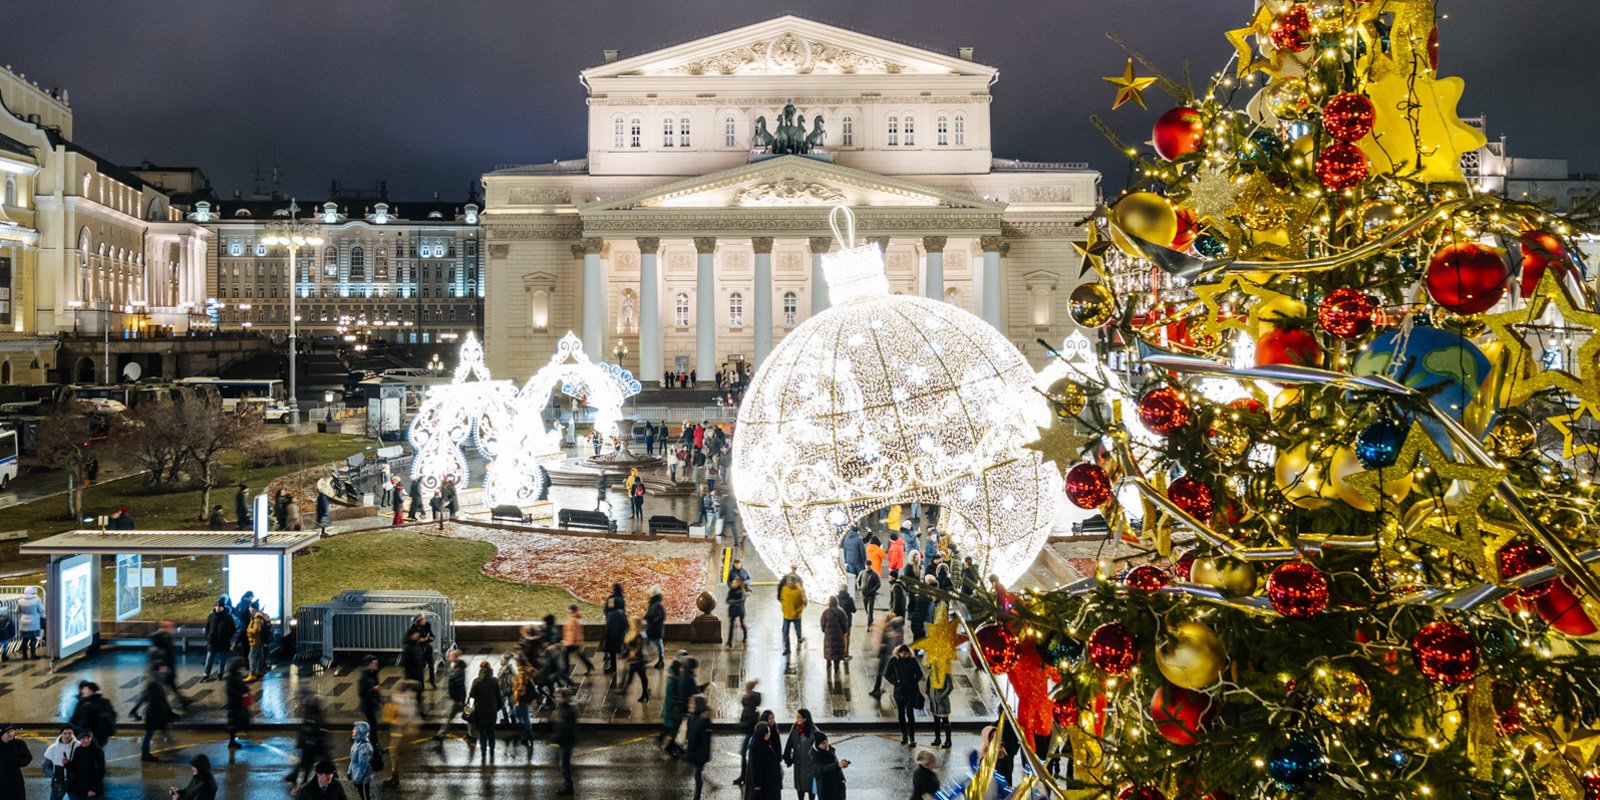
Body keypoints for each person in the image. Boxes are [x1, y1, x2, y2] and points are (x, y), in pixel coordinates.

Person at [289, 688, 331, 785]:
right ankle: (298, 778)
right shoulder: (313, 714)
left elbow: (311, 728)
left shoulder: (311, 713)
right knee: (307, 761)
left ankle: (296, 777)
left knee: (306, 761)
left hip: (311, 742)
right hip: (312, 742)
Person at [885, 644, 925, 745]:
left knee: (910, 714)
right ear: (898, 652)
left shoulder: (912, 660)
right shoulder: (893, 661)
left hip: (910, 693)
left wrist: (913, 682)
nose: (904, 655)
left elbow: (920, 674)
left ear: (908, 653)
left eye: (906, 653)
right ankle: (904, 734)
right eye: (902, 653)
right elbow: (887, 674)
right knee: (901, 715)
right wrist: (895, 682)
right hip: (899, 693)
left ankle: (911, 737)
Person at [137, 663, 174, 761]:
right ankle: (145, 754)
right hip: (154, 712)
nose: (165, 670)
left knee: (150, 732)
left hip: (155, 712)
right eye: (163, 668)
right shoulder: (153, 683)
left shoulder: (156, 680)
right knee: (149, 733)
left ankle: (146, 753)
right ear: (158, 670)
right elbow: (156, 698)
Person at [783, 709, 822, 800]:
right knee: (800, 791)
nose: (797, 719)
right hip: (799, 766)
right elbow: (789, 745)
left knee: (811, 791)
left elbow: (821, 748)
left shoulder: (814, 731)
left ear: (805, 718)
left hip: (811, 766)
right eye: (797, 717)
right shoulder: (795, 729)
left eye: (799, 717)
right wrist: (787, 758)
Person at [468, 661, 501, 763]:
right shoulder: (494, 681)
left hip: (480, 710)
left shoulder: (476, 681)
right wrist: (498, 707)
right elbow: (499, 696)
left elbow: (472, 695)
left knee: (482, 732)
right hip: (492, 709)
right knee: (491, 730)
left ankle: (483, 751)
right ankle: (491, 749)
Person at [68, 681, 116, 747]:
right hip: (101, 738)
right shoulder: (105, 702)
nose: (83, 691)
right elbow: (113, 716)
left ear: (90, 690)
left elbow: (75, 720)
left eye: (85, 689)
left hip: (85, 737)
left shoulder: (84, 704)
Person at [685, 695, 714, 800]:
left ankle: (697, 796)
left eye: (692, 703)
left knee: (697, 775)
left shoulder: (704, 720)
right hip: (694, 752)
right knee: (697, 774)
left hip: (699, 754)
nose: (690, 705)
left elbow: (701, 740)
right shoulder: (693, 717)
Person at [435, 648, 468, 741]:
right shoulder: (455, 666)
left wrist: (460, 700)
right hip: (456, 698)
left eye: (450, 656)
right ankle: (472, 732)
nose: (448, 657)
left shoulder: (459, 671)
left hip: (457, 700)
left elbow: (460, 686)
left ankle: (441, 734)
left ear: (455, 657)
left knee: (452, 716)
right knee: (467, 715)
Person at [870, 617, 906, 700]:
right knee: (882, 674)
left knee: (882, 674)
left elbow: (890, 646)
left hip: (887, 657)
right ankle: (877, 689)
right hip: (889, 656)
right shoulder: (898, 632)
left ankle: (878, 690)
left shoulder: (893, 634)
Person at [745, 722, 784, 800]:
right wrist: (757, 786)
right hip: (766, 786)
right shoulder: (760, 748)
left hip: (768, 785)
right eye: (768, 732)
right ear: (764, 734)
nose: (769, 733)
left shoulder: (762, 745)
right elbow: (757, 768)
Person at [550, 687, 577, 795]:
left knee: (564, 765)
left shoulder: (567, 711)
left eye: (559, 697)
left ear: (565, 698)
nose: (556, 698)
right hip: (562, 741)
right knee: (562, 764)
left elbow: (566, 728)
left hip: (566, 742)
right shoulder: (562, 708)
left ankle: (568, 788)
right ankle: (567, 785)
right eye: (556, 696)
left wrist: (556, 738)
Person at [63, 729, 105, 800]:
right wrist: (67, 763)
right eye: (81, 739)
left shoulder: (97, 751)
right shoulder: (78, 750)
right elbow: (73, 768)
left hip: (91, 791)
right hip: (79, 790)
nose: (83, 741)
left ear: (90, 738)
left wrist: (94, 789)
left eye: (85, 738)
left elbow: (101, 771)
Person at [734, 680, 761, 788]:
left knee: (747, 754)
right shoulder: (748, 700)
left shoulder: (751, 700)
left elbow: (750, 718)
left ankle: (746, 776)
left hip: (751, 732)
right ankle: (744, 775)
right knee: (745, 754)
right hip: (748, 732)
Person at [201, 600, 235, 681]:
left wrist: (227, 637)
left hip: (223, 642)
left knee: (222, 659)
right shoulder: (211, 616)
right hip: (212, 641)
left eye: (219, 607)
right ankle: (206, 674)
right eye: (216, 607)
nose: (218, 608)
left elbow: (233, 629)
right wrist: (207, 636)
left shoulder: (228, 616)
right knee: (209, 659)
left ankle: (220, 673)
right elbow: (207, 628)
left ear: (223, 607)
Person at [357, 655, 383, 753]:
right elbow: (361, 692)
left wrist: (379, 697)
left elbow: (377, 685)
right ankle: (374, 745)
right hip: (367, 705)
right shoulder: (363, 677)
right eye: (374, 663)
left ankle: (372, 744)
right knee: (373, 724)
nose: (376, 664)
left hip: (372, 703)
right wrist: (373, 689)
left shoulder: (374, 673)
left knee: (372, 724)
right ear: (369, 664)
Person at [621, 620, 651, 702]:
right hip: (634, 660)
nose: (630, 624)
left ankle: (644, 694)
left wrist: (631, 653)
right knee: (635, 676)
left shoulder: (640, 635)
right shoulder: (633, 633)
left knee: (642, 677)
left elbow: (639, 648)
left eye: (632, 623)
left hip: (639, 660)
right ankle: (644, 694)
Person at [812, 736, 850, 800]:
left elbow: (835, 765)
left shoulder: (831, 750)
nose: (826, 744)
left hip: (838, 786)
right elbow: (820, 769)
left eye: (826, 742)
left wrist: (842, 764)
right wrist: (837, 765)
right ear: (818, 745)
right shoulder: (814, 755)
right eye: (823, 743)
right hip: (825, 788)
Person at [927, 662, 954, 749]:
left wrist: (942, 696)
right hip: (933, 701)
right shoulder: (931, 673)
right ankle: (937, 739)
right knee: (936, 721)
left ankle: (948, 740)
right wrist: (929, 694)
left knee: (945, 720)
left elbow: (950, 687)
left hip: (942, 702)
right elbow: (928, 685)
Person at [405, 612, 437, 688]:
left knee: (431, 665)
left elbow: (432, 636)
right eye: (422, 619)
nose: (424, 621)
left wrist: (428, 639)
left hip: (427, 648)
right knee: (420, 668)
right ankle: (422, 684)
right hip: (419, 650)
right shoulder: (414, 628)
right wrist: (418, 640)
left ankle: (432, 681)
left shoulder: (427, 625)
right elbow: (408, 639)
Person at [224, 658, 251, 749]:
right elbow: (230, 691)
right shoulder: (231, 677)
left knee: (236, 722)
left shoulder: (237, 676)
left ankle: (233, 741)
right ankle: (232, 742)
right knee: (233, 723)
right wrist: (240, 694)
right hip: (234, 704)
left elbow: (241, 686)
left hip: (238, 704)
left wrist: (245, 689)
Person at [819, 595, 849, 675]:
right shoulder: (841, 612)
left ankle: (828, 665)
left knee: (829, 651)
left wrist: (825, 631)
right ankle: (836, 668)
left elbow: (822, 624)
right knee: (837, 652)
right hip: (838, 636)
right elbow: (845, 625)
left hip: (828, 637)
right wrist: (843, 632)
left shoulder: (826, 612)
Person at [42, 728, 75, 800]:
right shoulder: (53, 748)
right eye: (65, 733)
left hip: (74, 782)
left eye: (70, 733)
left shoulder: (77, 746)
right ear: (61, 734)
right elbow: (46, 767)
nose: (67, 735)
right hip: (59, 782)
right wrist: (55, 776)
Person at [0, 723, 31, 800]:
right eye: (7, 732)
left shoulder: (19, 744)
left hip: (15, 780)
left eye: (12, 731)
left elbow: (28, 757)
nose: (11, 734)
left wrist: (20, 763)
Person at [779, 573, 807, 656]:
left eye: (790, 582)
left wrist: (798, 611)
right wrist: (783, 608)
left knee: (798, 630)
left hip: (796, 616)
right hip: (786, 615)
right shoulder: (784, 589)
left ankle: (799, 637)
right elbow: (782, 599)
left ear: (794, 583)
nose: (788, 584)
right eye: (788, 582)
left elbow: (804, 602)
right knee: (785, 632)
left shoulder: (799, 590)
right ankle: (787, 649)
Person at [563, 604, 595, 676]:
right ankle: (589, 665)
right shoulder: (574, 618)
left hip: (572, 642)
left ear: (571, 610)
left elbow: (573, 632)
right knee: (580, 655)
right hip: (575, 641)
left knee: (565, 655)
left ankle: (566, 672)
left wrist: (570, 641)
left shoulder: (573, 619)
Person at [658, 660, 683, 755]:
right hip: (672, 709)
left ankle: (665, 741)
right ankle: (670, 746)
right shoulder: (674, 680)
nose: (682, 670)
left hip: (671, 709)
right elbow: (672, 697)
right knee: (673, 729)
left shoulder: (674, 678)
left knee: (670, 728)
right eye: (680, 668)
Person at [347, 723, 375, 800]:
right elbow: (353, 760)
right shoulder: (356, 743)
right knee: (363, 796)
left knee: (365, 797)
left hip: (363, 778)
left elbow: (362, 765)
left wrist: (357, 779)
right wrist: (349, 771)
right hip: (358, 776)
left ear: (361, 731)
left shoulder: (364, 747)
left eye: (355, 729)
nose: (353, 730)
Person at [246, 603, 271, 680]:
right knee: (260, 655)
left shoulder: (257, 617)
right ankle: (260, 670)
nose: (249, 609)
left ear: (253, 608)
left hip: (256, 640)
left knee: (251, 656)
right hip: (259, 640)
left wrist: (248, 630)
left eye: (250, 607)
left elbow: (256, 630)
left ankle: (252, 674)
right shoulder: (260, 615)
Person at [643, 588, 667, 668]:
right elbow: (650, 613)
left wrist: (652, 620)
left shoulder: (657, 604)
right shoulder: (653, 603)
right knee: (648, 642)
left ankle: (661, 660)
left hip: (655, 629)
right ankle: (648, 658)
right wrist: (646, 617)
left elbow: (662, 616)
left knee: (659, 644)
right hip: (651, 628)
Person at [726, 576, 749, 647]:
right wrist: (732, 602)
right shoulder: (731, 590)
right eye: (732, 582)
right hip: (732, 610)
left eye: (734, 582)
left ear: (738, 583)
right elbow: (727, 600)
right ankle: (729, 641)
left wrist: (734, 602)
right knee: (731, 626)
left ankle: (745, 637)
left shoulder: (742, 591)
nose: (733, 583)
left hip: (740, 610)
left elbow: (742, 600)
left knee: (742, 623)